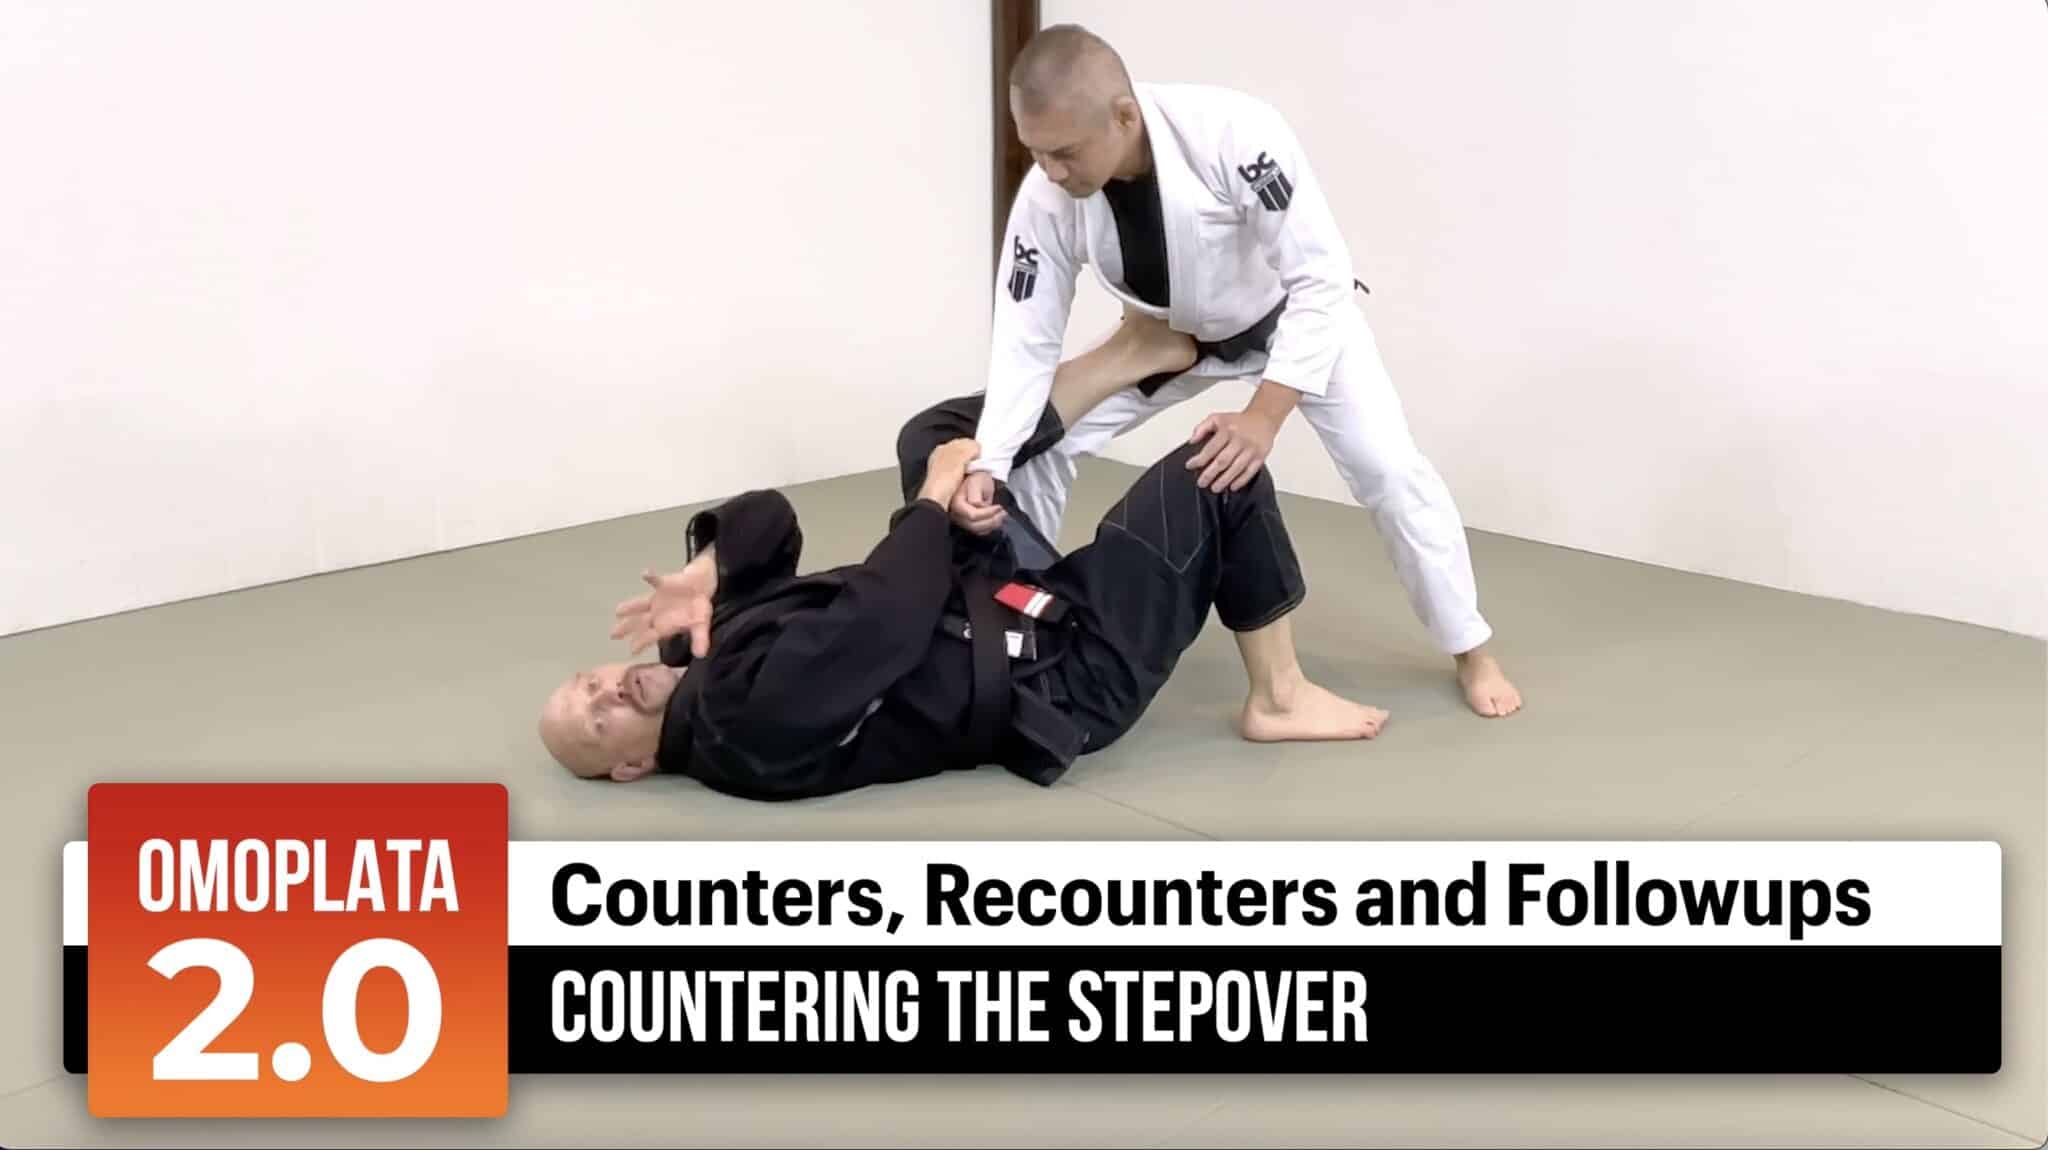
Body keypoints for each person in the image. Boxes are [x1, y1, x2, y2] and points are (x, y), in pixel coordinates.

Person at [536, 332, 1388, 800]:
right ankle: (1279, 697)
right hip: (1065, 672)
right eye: (599, 722)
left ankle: (1133, 352)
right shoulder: (740, 727)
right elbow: (882, 618)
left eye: (588, 683)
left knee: (931, 435)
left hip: (995, 600)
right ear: (632, 766)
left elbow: (773, 521)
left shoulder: (697, 656)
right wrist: (937, 502)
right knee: (1220, 467)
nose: (610, 692)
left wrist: (713, 566)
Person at [961, 23, 1522, 718]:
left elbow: (1322, 278)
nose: (1050, 172)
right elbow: (1025, 338)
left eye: (1065, 153)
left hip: (1295, 324)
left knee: (1389, 469)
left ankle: (1471, 647)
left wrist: (1264, 415)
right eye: (1036, 152)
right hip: (1175, 339)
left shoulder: (1233, 133)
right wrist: (993, 458)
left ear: (1124, 116)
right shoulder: (1048, 194)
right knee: (1040, 446)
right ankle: (1032, 626)